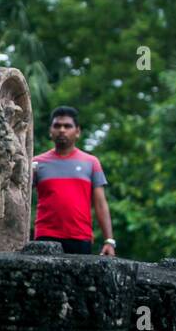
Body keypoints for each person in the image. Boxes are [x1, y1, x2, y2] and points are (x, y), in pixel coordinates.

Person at [32, 106, 116, 255]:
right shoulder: (36, 163)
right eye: (57, 126)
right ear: (50, 131)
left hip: (79, 237)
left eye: (67, 126)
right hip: (45, 236)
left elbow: (101, 203)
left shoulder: (91, 162)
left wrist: (109, 241)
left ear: (77, 132)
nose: (62, 130)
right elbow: (20, 198)